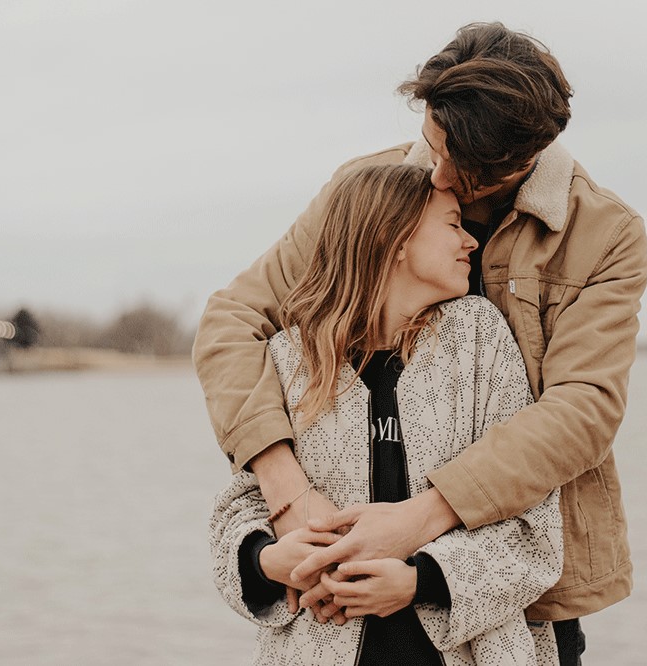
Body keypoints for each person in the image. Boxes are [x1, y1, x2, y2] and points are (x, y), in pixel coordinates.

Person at [194, 22, 647, 665]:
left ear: (520, 160)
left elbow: (583, 407)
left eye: (452, 164)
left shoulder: (606, 233)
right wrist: (288, 495)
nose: (428, 170)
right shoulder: (368, 194)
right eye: (429, 140)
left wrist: (421, 521)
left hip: (514, 602)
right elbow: (232, 320)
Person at [210, 163, 563, 665]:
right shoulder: (290, 358)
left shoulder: (480, 340)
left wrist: (420, 581)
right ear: (394, 238)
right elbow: (242, 505)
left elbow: (535, 526)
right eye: (452, 224)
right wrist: (267, 560)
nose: (471, 242)